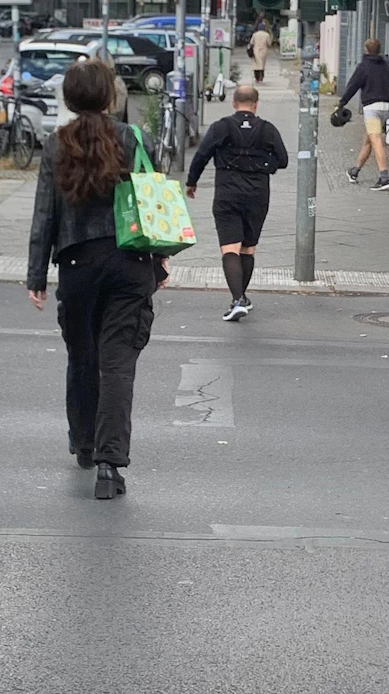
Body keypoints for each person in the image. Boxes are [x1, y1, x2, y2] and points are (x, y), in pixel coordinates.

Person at [27, 57, 160, 499]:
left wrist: (36, 275)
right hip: (128, 263)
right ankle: (110, 465)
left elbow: (44, 212)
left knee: (82, 357)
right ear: (109, 96)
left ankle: (84, 444)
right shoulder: (131, 137)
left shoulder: (55, 144)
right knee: (118, 363)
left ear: (68, 97)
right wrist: (158, 261)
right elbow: (152, 200)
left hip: (77, 265)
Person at [185, 80, 289, 324]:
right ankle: (241, 297)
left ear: (234, 104)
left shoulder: (221, 127)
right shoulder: (267, 129)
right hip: (257, 194)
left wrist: (191, 182)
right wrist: (264, 166)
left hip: (227, 193)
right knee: (248, 248)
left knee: (230, 247)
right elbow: (282, 160)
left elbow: (201, 155)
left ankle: (238, 300)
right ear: (256, 104)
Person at [340, 38, 389, 189]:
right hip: (386, 108)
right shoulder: (387, 66)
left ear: (366, 50)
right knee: (368, 140)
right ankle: (355, 171)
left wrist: (341, 103)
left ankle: (384, 177)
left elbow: (352, 86)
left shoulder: (364, 66)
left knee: (376, 140)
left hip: (371, 109)